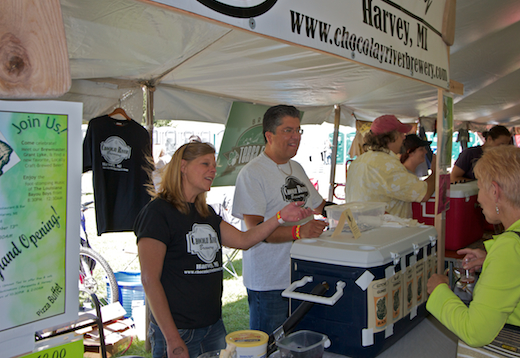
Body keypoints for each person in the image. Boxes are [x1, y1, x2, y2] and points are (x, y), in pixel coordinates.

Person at [134, 142, 314, 358]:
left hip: (212, 326)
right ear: (183, 166)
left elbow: (244, 239)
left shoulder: (205, 212)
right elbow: (149, 279)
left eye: (214, 165)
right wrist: (173, 339)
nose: (213, 170)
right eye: (205, 164)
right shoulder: (158, 213)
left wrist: (280, 218)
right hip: (178, 330)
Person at [426, 145, 520, 357]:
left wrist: (439, 290)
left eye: (479, 188)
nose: (478, 199)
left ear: (495, 191)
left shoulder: (511, 249)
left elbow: (475, 332)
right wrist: (491, 260)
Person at [232, 105, 327, 335]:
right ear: (269, 135)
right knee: (271, 344)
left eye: (298, 130)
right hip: (269, 281)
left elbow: (319, 206)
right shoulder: (252, 173)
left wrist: (350, 212)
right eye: (288, 130)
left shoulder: (297, 167)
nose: (295, 136)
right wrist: (298, 232)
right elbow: (253, 231)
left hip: (299, 273)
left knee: (295, 343)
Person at [345, 114, 436, 218]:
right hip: (385, 232)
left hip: (362, 229)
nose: (404, 137)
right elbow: (423, 193)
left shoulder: (358, 162)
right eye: (400, 133)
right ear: (390, 137)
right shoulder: (388, 165)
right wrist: (435, 172)